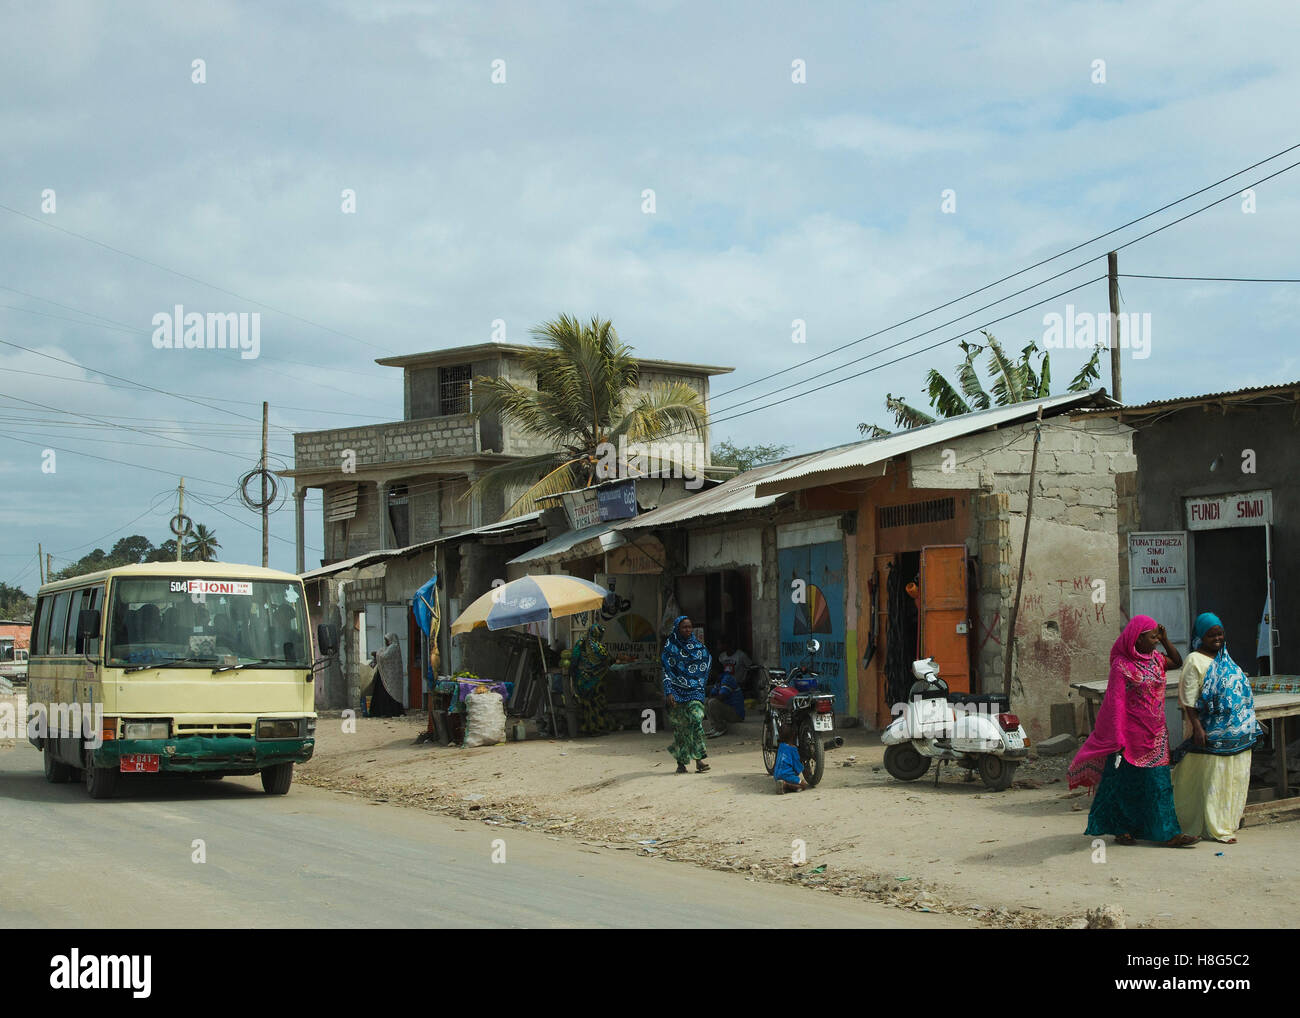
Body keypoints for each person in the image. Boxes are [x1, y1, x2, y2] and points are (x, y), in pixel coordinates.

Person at [1068, 614, 1198, 847]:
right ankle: (1123, 829)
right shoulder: (1122, 666)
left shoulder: (1156, 659)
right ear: (1136, 640)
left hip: (1156, 733)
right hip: (1130, 736)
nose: (1156, 640)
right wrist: (1117, 737)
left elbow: (1177, 661)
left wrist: (1167, 639)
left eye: (1158, 636)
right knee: (1126, 784)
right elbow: (1115, 703)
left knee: (1159, 784)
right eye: (1152, 636)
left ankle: (1169, 833)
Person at [1171, 613, 1261, 843]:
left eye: (1220, 633)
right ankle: (1217, 829)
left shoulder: (1225, 658)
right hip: (1211, 735)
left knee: (1234, 780)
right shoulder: (1194, 661)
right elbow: (1188, 699)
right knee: (1213, 782)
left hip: (1238, 735)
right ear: (1201, 636)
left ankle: (1228, 823)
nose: (1217, 638)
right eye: (1211, 634)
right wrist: (1197, 728)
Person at [662, 615, 711, 774]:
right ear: (677, 628)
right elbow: (666, 671)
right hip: (676, 691)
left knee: (697, 720)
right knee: (681, 728)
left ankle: (699, 760)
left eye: (690, 627)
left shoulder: (698, 647)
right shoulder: (670, 647)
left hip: (695, 690)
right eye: (684, 627)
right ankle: (681, 763)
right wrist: (669, 691)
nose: (688, 630)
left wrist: (699, 683)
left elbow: (706, 663)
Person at [570, 622, 614, 736]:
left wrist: (572, 672)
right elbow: (608, 661)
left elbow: (574, 660)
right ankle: (598, 728)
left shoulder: (581, 643)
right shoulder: (600, 648)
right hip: (597, 681)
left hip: (583, 680)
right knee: (597, 704)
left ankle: (586, 728)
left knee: (585, 704)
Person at [704, 659, 745, 737]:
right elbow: (712, 694)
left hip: (737, 714)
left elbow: (722, 696)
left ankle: (720, 728)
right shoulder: (719, 680)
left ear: (715, 671)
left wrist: (712, 698)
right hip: (729, 710)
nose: (709, 674)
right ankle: (715, 727)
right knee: (707, 701)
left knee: (712, 702)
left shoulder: (727, 678)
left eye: (709, 671)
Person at [369, 633, 406, 717]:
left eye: (387, 640)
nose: (386, 642)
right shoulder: (390, 647)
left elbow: (385, 656)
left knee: (389, 694)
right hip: (385, 675)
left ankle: (388, 712)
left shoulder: (394, 647)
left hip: (390, 677)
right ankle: (382, 712)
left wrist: (377, 653)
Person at [773, 723, 807, 793]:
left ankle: (783, 785)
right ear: (793, 737)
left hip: (776, 775)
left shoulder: (780, 746)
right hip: (787, 775)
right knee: (803, 785)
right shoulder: (793, 749)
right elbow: (797, 766)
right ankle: (786, 785)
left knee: (793, 781)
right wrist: (804, 766)